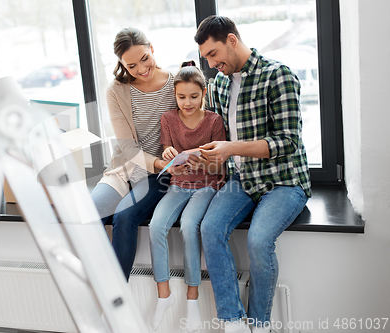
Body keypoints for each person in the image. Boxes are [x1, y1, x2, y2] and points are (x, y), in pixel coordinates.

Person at [194, 16, 311, 333]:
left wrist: (230, 148)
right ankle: (232, 321)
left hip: (283, 180)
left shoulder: (278, 75)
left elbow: (288, 142)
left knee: (259, 241)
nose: (211, 63)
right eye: (206, 57)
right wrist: (200, 155)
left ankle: (260, 325)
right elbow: (217, 136)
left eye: (213, 54)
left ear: (232, 40)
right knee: (210, 228)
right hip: (242, 180)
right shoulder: (218, 83)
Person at [90, 27, 176, 280]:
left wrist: (162, 164)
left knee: (124, 217)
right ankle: (102, 284)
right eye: (131, 65)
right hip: (124, 169)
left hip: (158, 174)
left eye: (144, 59)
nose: (141, 69)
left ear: (152, 48)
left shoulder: (176, 83)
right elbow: (127, 148)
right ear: (121, 64)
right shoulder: (115, 91)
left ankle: (117, 294)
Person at [148, 61, 225, 332]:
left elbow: (220, 166)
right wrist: (170, 158)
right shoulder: (168, 119)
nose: (187, 102)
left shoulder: (214, 121)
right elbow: (168, 156)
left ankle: (192, 299)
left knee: (190, 227)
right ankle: (164, 295)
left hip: (206, 186)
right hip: (178, 185)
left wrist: (202, 164)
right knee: (157, 226)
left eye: (194, 96)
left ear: (204, 93)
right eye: (181, 97)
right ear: (175, 95)